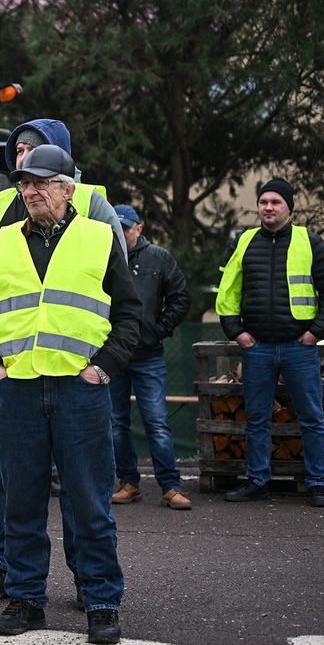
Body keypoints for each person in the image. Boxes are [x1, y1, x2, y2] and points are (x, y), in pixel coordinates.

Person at [0, 144, 141, 645]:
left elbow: (130, 313)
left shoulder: (99, 237)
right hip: (16, 391)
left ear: (69, 189)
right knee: (20, 503)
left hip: (78, 391)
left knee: (89, 503)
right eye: (24, 183)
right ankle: (25, 600)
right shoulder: (2, 243)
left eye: (41, 182)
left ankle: (102, 601)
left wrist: (105, 367)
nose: (31, 191)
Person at [216, 178, 324, 508]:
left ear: (289, 207)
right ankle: (258, 480)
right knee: (257, 418)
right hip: (257, 348)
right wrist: (236, 332)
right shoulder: (244, 242)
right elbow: (226, 290)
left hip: (299, 347)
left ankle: (318, 483)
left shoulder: (309, 241)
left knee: (312, 418)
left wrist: (316, 332)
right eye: (264, 202)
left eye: (276, 202)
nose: (268, 207)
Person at [108, 205, 192, 510]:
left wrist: (159, 330)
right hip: (114, 356)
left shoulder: (159, 257)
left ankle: (170, 486)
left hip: (147, 355)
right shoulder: (105, 256)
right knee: (116, 424)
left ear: (138, 228)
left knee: (156, 423)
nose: (121, 233)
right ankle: (128, 483)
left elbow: (180, 298)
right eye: (116, 228)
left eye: (126, 228)